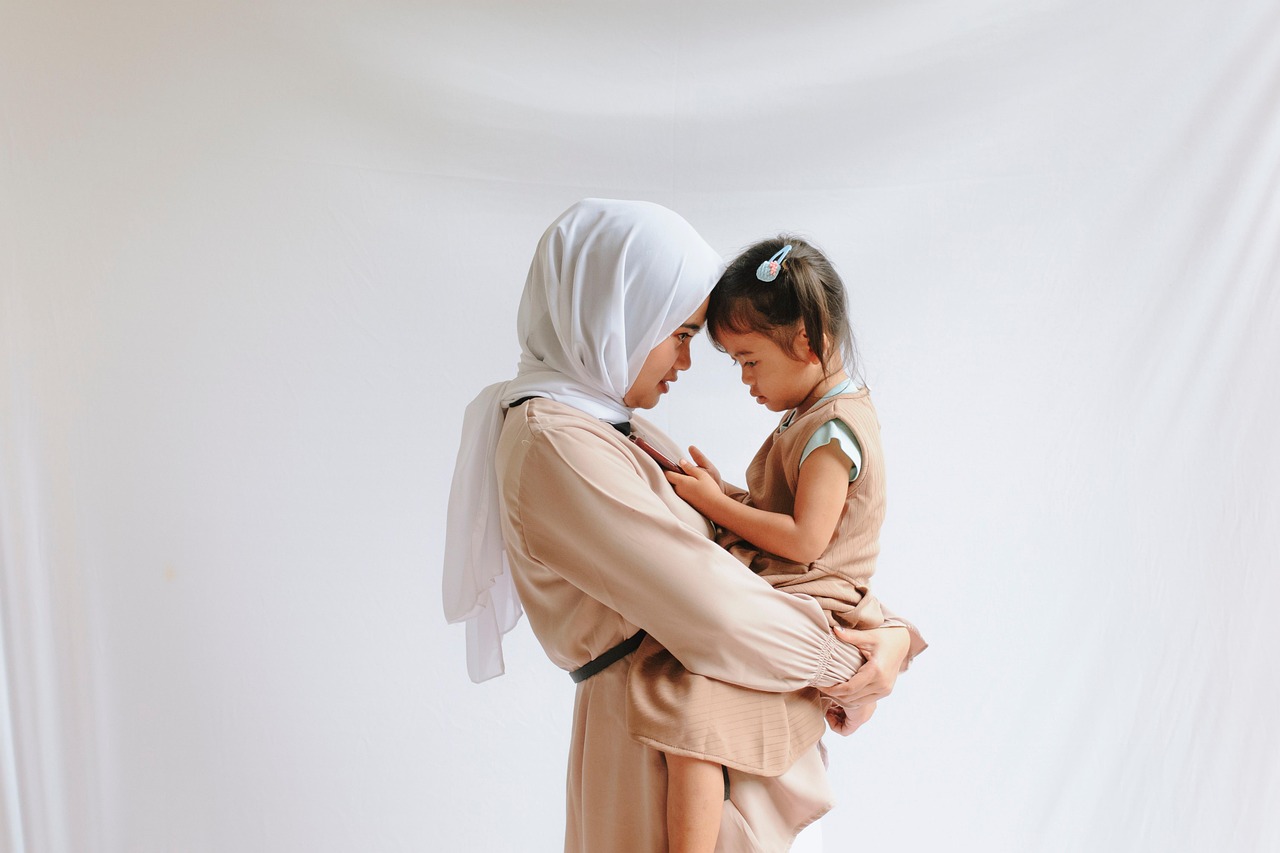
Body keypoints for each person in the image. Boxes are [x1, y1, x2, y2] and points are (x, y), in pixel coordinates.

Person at [442, 199, 924, 852]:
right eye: (681, 333)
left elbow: (755, 552)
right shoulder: (554, 441)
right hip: (653, 738)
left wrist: (887, 634)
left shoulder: (616, 427)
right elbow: (716, 607)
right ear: (621, 313)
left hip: (696, 720)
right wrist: (853, 661)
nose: (687, 362)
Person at [627, 236, 923, 852]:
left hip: (817, 593)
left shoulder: (834, 430)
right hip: (798, 582)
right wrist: (725, 496)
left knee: (694, 717)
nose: (745, 379)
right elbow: (781, 516)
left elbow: (806, 540)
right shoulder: (813, 413)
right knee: (692, 708)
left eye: (750, 360)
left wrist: (714, 505)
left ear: (808, 343)